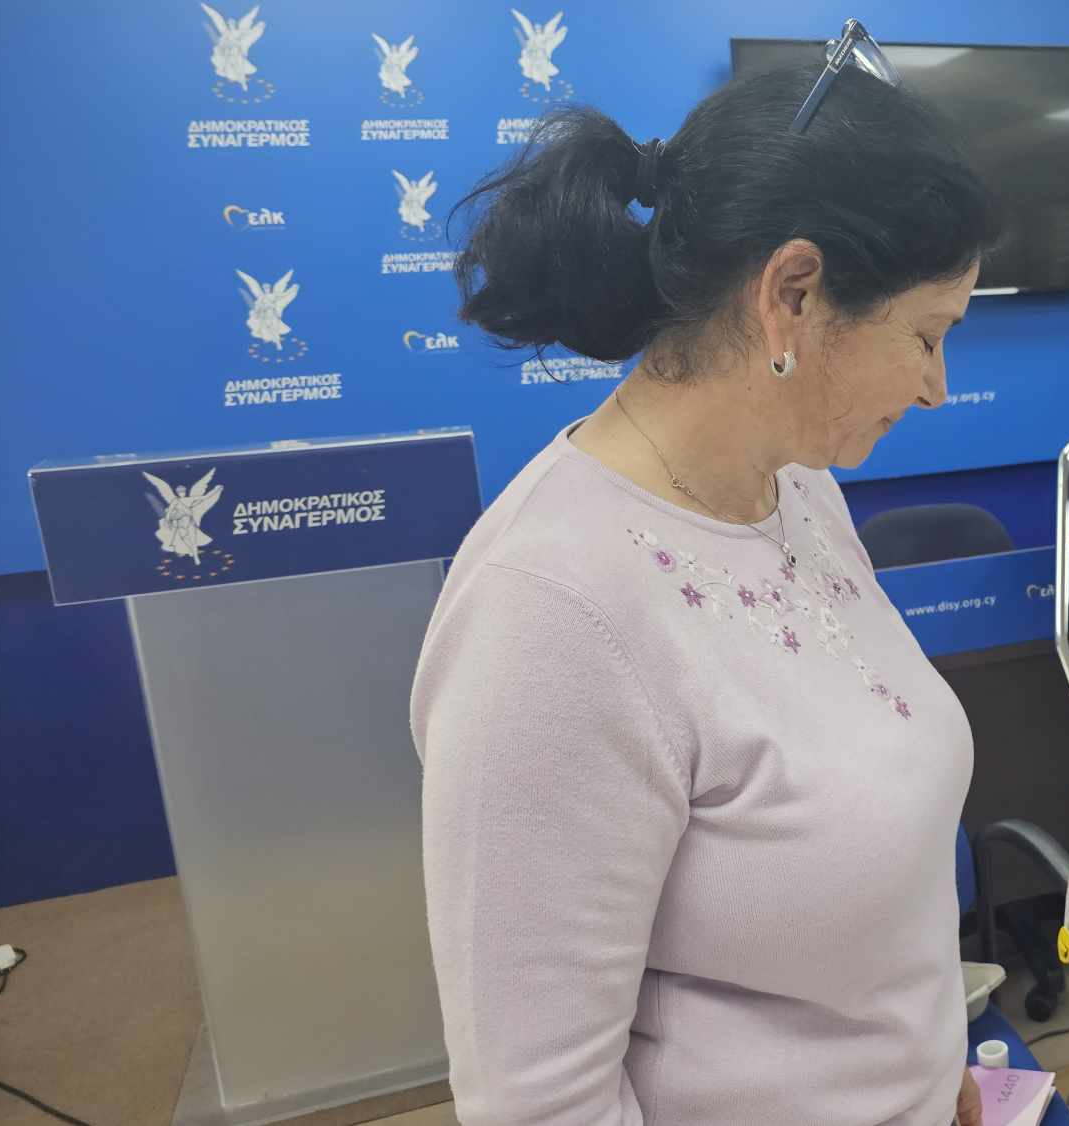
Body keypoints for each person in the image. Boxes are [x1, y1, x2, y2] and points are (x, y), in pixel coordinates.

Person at [411, 28, 1002, 1125]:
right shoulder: (551, 611)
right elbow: (538, 1104)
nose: (936, 385)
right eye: (928, 334)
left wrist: (927, 1062)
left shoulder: (799, 489)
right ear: (793, 293)